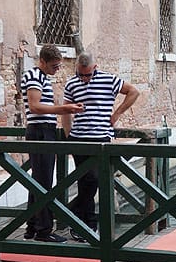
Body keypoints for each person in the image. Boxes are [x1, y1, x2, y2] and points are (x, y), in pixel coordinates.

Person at [62, 52, 140, 241]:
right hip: (79, 139)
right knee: (84, 183)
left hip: (101, 139)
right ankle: (87, 225)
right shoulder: (72, 83)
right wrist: (68, 137)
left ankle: (77, 219)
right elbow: (66, 110)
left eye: (87, 75)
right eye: (81, 75)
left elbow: (134, 92)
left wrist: (117, 114)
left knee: (94, 180)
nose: (84, 79)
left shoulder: (108, 80)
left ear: (94, 68)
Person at [20, 44, 85, 242]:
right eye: (54, 66)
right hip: (40, 132)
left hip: (45, 131)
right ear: (43, 61)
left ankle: (32, 228)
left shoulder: (42, 78)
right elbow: (35, 106)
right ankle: (43, 231)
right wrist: (64, 109)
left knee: (39, 180)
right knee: (44, 182)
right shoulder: (33, 77)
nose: (57, 69)